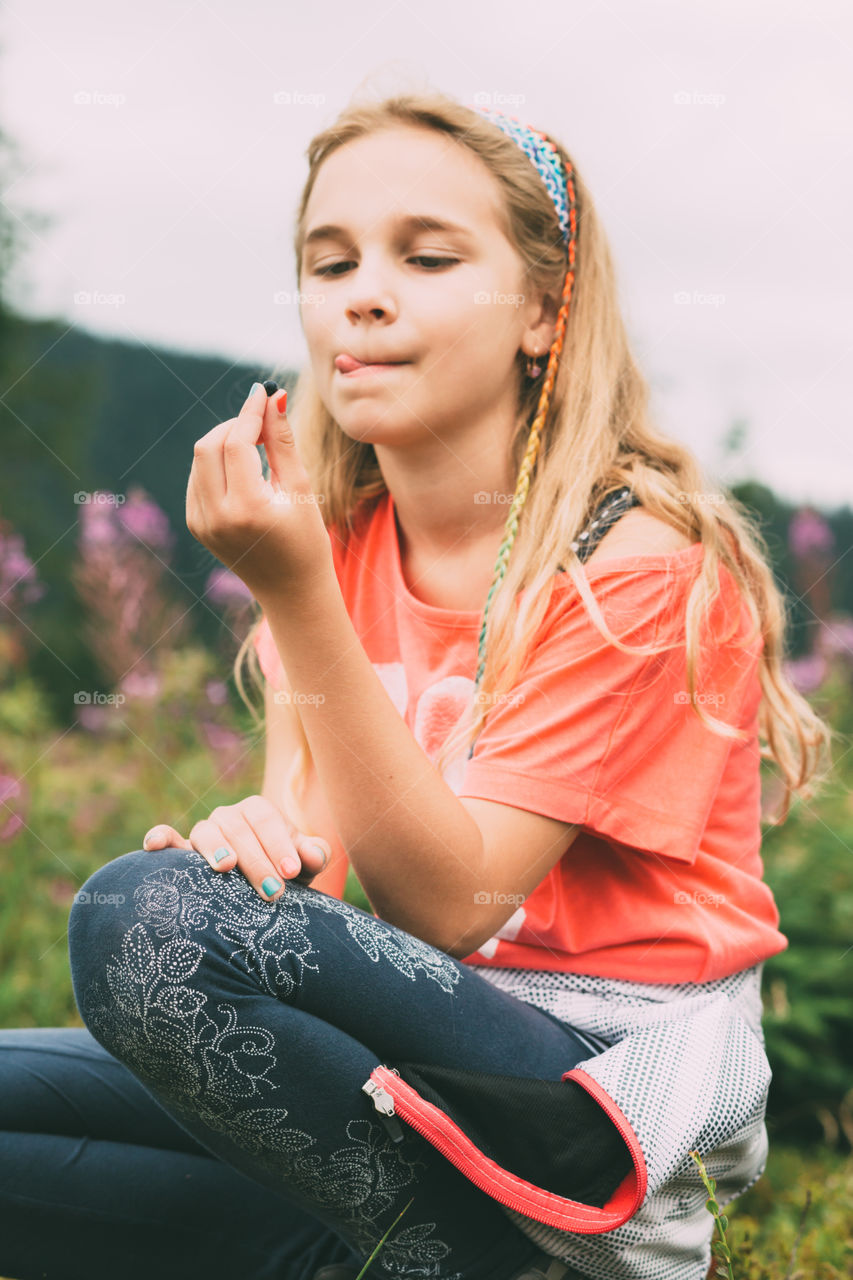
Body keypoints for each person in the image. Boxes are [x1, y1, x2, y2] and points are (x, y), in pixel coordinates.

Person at [0, 88, 833, 1280]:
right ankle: (388, 1256)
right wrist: (246, 852)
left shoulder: (638, 568)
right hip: (399, 1062)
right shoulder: (338, 543)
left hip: (591, 1094)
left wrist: (290, 593)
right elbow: (327, 874)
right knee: (157, 924)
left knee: (143, 921)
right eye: (329, 261)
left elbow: (452, 903)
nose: (364, 290)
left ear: (544, 309)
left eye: (427, 256)